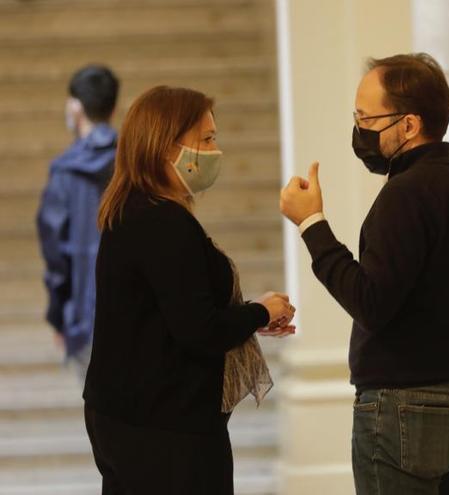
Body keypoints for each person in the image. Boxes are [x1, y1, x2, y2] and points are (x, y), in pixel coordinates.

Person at [280, 53, 449, 494]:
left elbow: (371, 303)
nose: (359, 129)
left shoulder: (405, 195)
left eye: (367, 118)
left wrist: (312, 224)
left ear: (408, 125)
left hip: (406, 405)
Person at [83, 86, 295, 495]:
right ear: (166, 148)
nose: (215, 151)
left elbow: (171, 310)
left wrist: (251, 317)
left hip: (127, 415)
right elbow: (199, 329)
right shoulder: (164, 224)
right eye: (207, 139)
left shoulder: (130, 209)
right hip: (165, 426)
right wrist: (260, 313)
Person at [36, 64, 119, 382]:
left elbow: (55, 254)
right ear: (113, 108)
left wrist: (58, 318)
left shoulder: (64, 172)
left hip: (86, 317)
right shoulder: (136, 163)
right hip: (138, 313)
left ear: (75, 106)